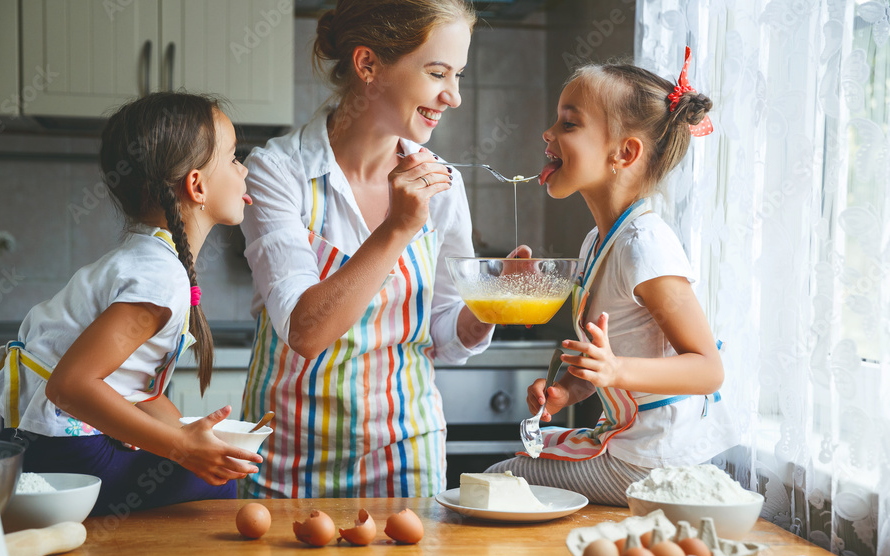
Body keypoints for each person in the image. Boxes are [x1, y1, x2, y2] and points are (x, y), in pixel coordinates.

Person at [239, 0, 516, 499]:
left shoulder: (442, 184)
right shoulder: (278, 172)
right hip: (285, 457)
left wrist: (485, 310)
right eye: (437, 73)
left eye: (459, 75)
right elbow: (305, 330)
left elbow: (443, 328)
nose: (453, 96)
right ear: (369, 65)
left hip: (405, 453)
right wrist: (397, 228)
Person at [0, 92, 262, 515]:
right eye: (234, 157)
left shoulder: (152, 259)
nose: (243, 171)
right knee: (215, 489)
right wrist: (183, 449)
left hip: (39, 444)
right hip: (63, 454)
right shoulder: (160, 276)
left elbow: (136, 391)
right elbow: (70, 387)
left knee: (207, 467)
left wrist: (194, 437)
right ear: (197, 185)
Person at [487, 48, 737, 506]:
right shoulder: (600, 242)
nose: (547, 134)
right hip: (630, 448)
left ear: (624, 152)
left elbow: (707, 369)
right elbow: (616, 361)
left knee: (503, 478)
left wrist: (615, 369)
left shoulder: (645, 245)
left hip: (654, 463)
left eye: (568, 123)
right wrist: (569, 389)